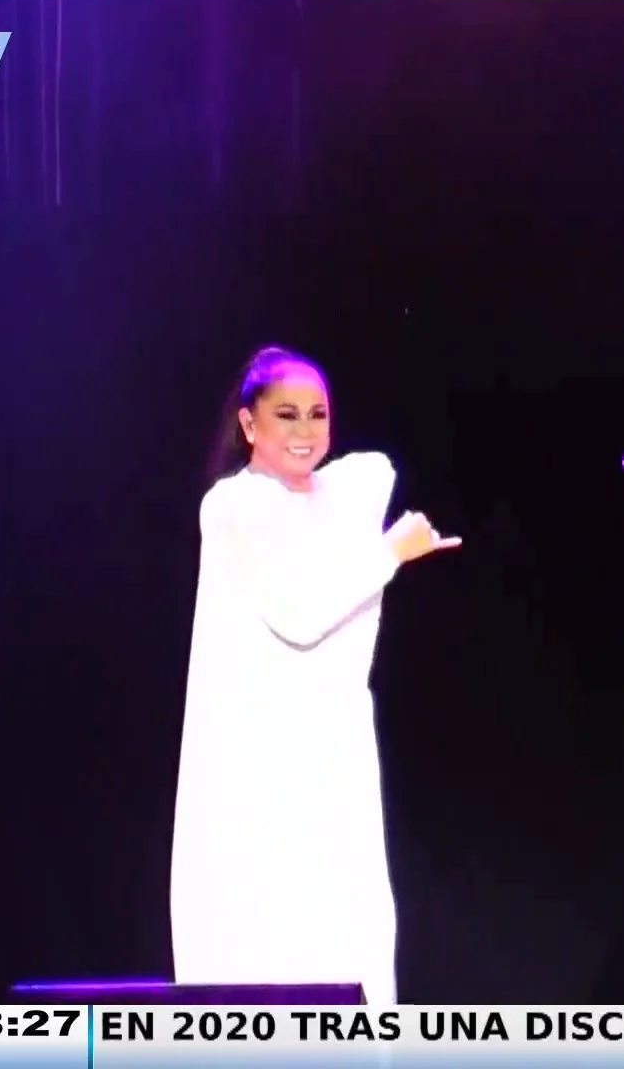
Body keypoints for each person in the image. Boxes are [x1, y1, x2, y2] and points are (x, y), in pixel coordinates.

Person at [170, 346, 459, 1001]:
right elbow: (300, 614)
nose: (305, 432)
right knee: (265, 934)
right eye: (286, 415)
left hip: (329, 753)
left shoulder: (338, 494)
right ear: (249, 425)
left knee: (344, 930)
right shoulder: (233, 504)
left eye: (317, 415)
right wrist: (390, 551)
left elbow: (354, 497)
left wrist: (386, 549)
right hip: (258, 763)